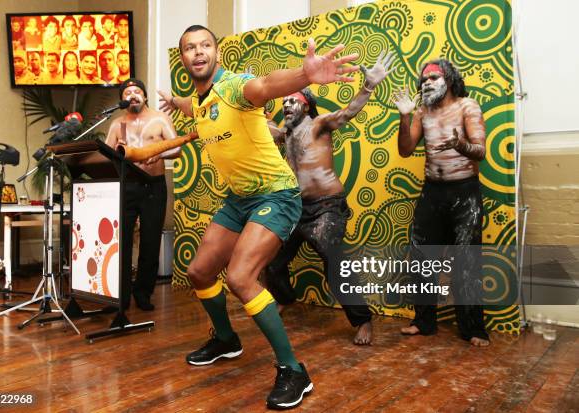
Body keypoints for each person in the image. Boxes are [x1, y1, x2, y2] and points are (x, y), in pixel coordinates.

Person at [158, 25, 359, 409]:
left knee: (240, 277)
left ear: (216, 53)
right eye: (189, 48)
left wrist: (305, 76)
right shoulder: (201, 101)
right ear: (183, 58)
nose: (198, 52)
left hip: (276, 194)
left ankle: (294, 370)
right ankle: (226, 339)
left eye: (205, 45)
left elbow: (265, 85)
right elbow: (195, 106)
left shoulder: (236, 86)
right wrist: (176, 103)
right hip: (240, 199)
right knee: (199, 272)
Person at [263, 51, 395, 346]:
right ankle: (285, 297)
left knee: (333, 263)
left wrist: (369, 86)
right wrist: (252, 103)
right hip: (297, 207)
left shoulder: (319, 125)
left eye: (292, 100)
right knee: (272, 260)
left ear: (306, 104)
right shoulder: (285, 133)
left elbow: (347, 112)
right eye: (284, 101)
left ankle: (362, 321)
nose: (286, 104)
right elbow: (263, 127)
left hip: (327, 207)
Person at [392, 59, 490, 347]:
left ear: (449, 79)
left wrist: (459, 146)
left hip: (464, 193)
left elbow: (480, 151)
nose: (427, 83)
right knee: (422, 259)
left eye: (434, 77)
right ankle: (424, 322)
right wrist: (405, 116)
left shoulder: (467, 106)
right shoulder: (423, 112)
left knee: (466, 261)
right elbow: (406, 150)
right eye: (424, 80)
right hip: (432, 192)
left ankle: (473, 329)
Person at [105, 79, 182, 311]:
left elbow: (176, 147)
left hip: (153, 185)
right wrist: (116, 153)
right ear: (122, 99)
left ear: (145, 97)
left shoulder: (159, 118)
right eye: (128, 92)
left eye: (137, 91)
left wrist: (159, 154)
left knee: (150, 240)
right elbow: (106, 155)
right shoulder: (117, 123)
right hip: (126, 186)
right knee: (122, 242)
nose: (133, 95)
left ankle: (143, 293)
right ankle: (122, 293)